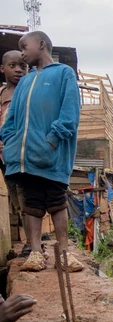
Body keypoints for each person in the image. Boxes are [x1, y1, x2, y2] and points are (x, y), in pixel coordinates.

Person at [0, 31, 81, 272]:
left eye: (25, 47)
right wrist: (10, 140)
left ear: (41, 44)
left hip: (51, 153)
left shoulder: (63, 74)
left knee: (56, 201)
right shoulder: (24, 82)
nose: (22, 53)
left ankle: (64, 253)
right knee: (31, 203)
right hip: (25, 157)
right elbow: (11, 118)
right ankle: (35, 253)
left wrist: (52, 140)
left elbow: (70, 113)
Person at [0, 51, 31, 255]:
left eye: (23, 66)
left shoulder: (29, 91)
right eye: (13, 65)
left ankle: (32, 243)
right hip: (2, 154)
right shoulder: (1, 94)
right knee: (14, 197)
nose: (19, 69)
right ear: (3, 69)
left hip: (20, 153)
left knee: (26, 197)